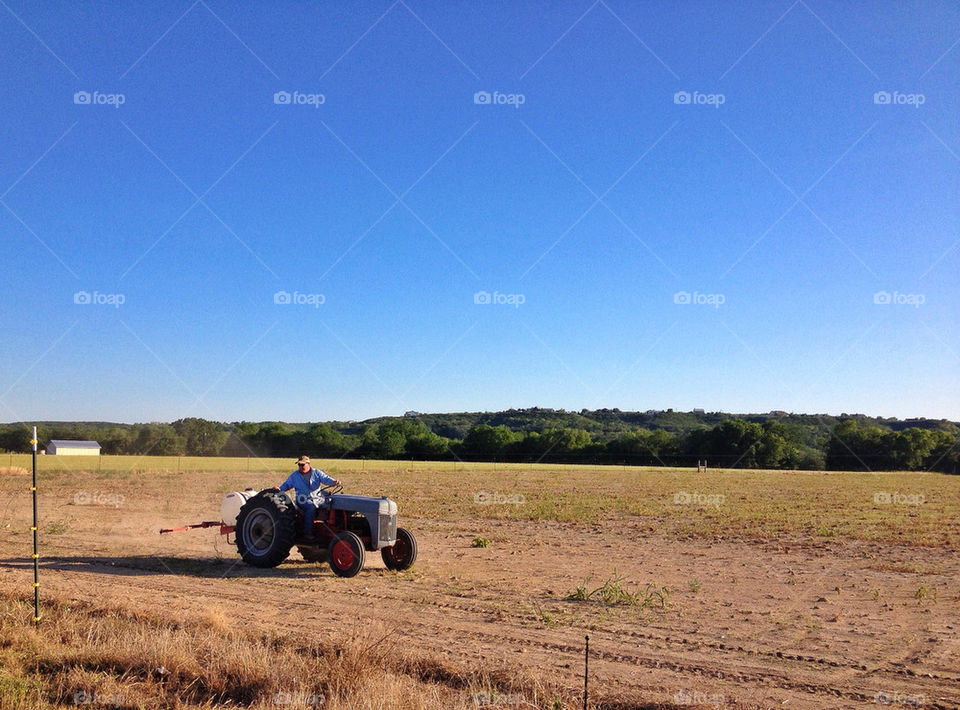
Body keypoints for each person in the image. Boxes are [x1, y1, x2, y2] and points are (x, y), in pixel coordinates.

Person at [278, 456, 341, 541]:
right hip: (302, 500)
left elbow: (326, 479)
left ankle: (332, 529)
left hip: (317, 498)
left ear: (308, 464)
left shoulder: (317, 473)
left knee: (332, 503)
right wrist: (279, 489)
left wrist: (334, 482)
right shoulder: (295, 475)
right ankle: (308, 533)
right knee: (311, 507)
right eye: (299, 465)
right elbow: (286, 485)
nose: (300, 467)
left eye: (302, 465)